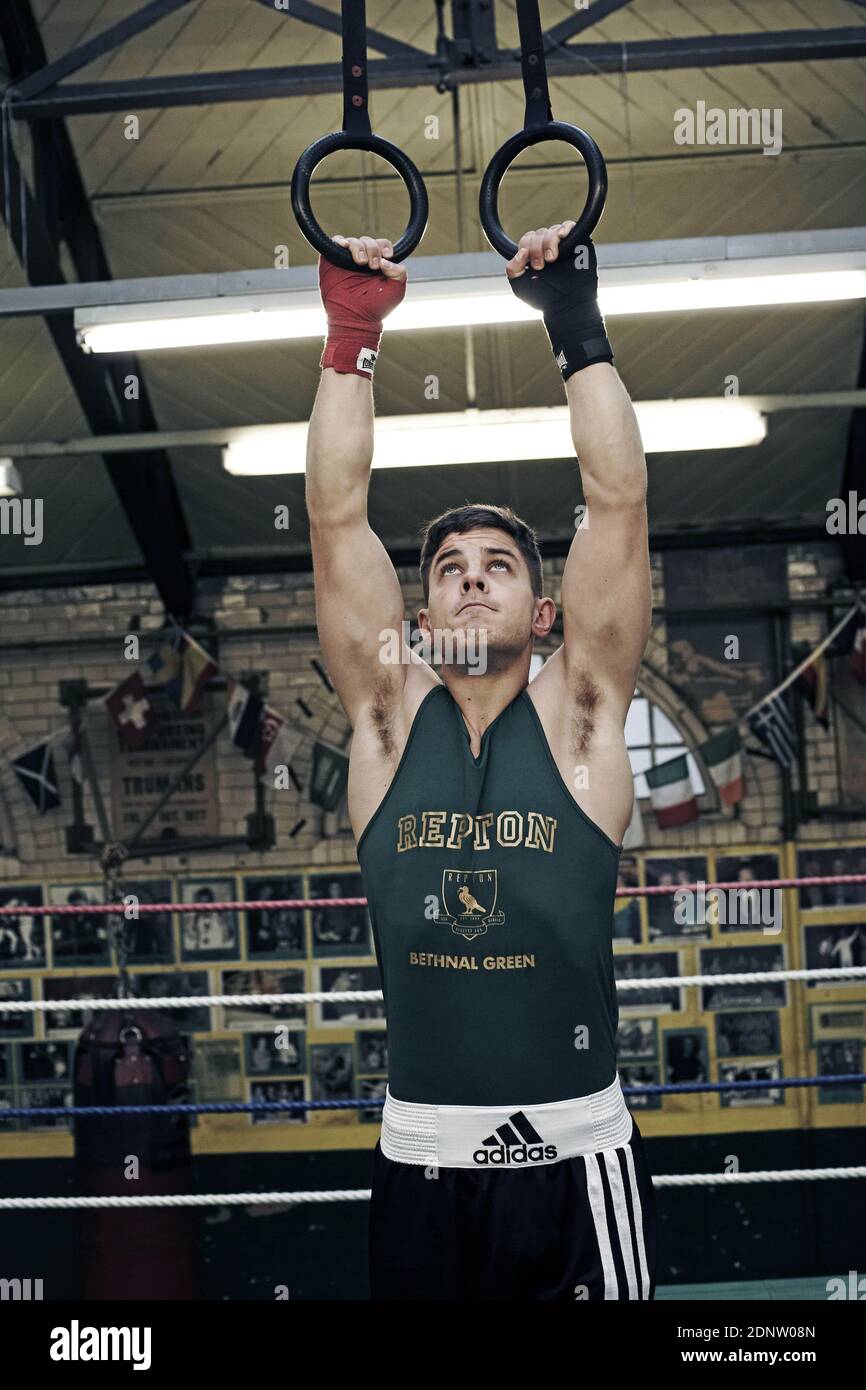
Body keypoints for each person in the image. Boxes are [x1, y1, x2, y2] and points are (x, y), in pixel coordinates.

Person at [306, 221, 655, 1301]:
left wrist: (573, 324)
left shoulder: (581, 719)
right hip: (419, 1160)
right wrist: (351, 332)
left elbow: (618, 504)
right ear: (419, 613)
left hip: (570, 1162)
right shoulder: (383, 723)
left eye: (496, 566)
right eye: (448, 568)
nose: (468, 581)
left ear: (541, 609)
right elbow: (333, 515)